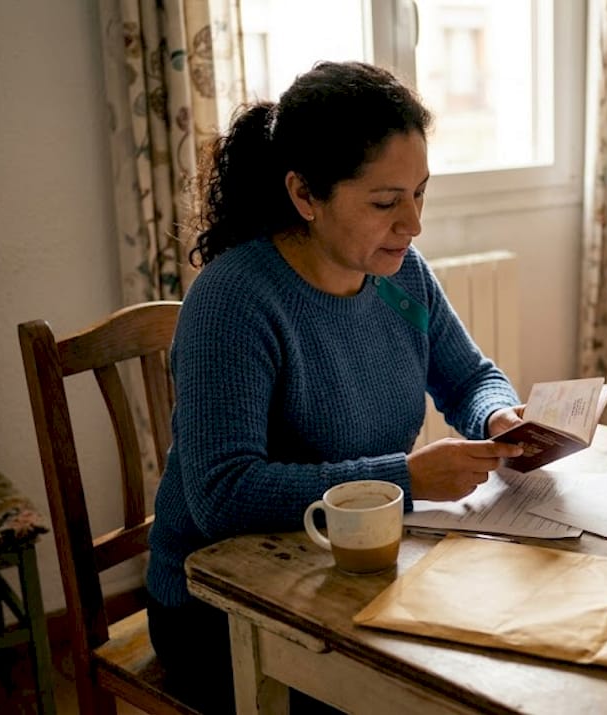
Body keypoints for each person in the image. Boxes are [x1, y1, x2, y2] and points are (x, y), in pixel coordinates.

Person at [146, 61, 524, 713]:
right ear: (305, 195)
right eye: (385, 201)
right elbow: (222, 494)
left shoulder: (402, 277)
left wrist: (498, 417)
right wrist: (404, 478)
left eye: (420, 193)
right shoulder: (234, 301)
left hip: (346, 570)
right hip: (218, 606)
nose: (413, 223)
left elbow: (469, 376)